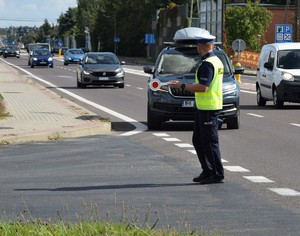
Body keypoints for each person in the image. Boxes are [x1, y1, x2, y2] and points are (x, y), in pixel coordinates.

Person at [169, 29, 224, 184]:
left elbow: (203, 87)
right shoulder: (217, 61)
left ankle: (216, 174)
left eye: (198, 47)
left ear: (200, 47)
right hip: (205, 107)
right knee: (198, 140)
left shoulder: (207, 64)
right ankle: (207, 171)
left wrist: (182, 85)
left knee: (209, 142)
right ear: (211, 46)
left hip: (209, 108)